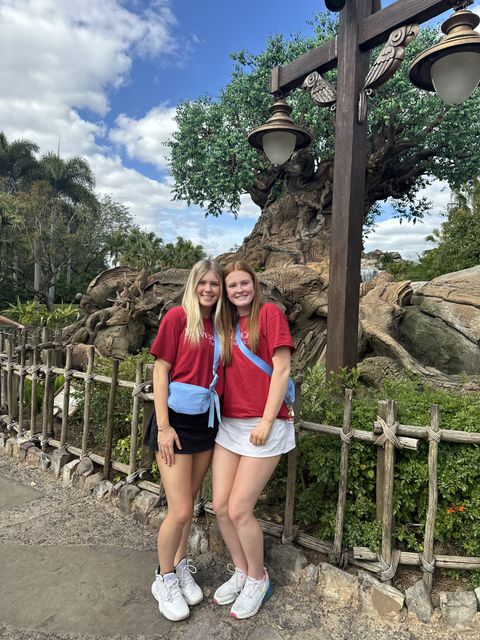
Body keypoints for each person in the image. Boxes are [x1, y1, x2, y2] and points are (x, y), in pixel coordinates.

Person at [212, 261, 296, 619]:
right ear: (226, 292)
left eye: (244, 283)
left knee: (239, 509)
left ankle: (259, 578)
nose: (239, 290)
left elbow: (282, 368)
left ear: (254, 284)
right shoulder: (225, 323)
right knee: (220, 507)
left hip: (264, 425)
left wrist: (266, 420)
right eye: (232, 286)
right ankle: (242, 571)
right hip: (230, 424)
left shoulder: (270, 314)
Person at [144, 259, 226, 622]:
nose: (208, 289)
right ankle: (163, 578)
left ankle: (179, 565)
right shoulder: (178, 317)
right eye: (202, 283)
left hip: (205, 423)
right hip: (175, 422)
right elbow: (160, 370)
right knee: (178, 510)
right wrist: (164, 427)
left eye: (214, 284)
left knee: (189, 505)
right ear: (193, 285)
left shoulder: (220, 326)